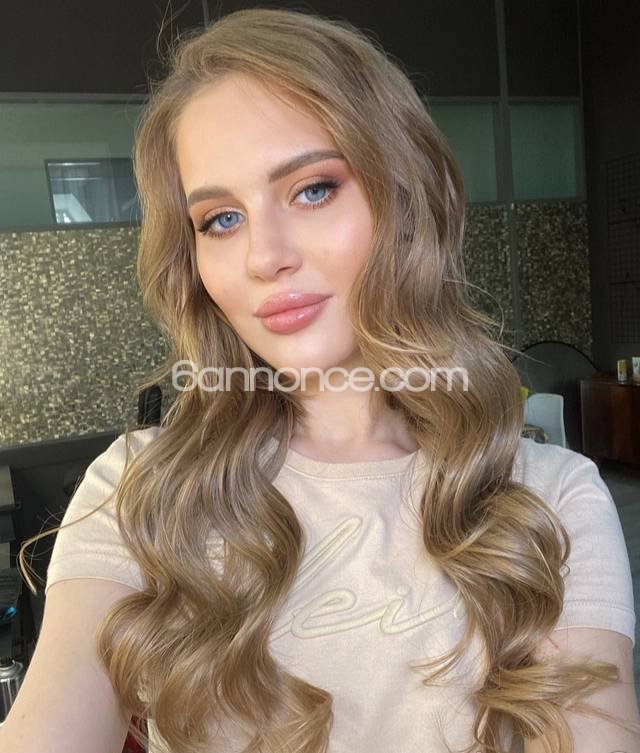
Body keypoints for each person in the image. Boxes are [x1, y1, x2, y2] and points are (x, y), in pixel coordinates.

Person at [2, 8, 639, 753]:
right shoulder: (143, 491)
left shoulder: (548, 498)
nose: (263, 256)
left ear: (405, 201)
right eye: (220, 219)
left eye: (312, 190)